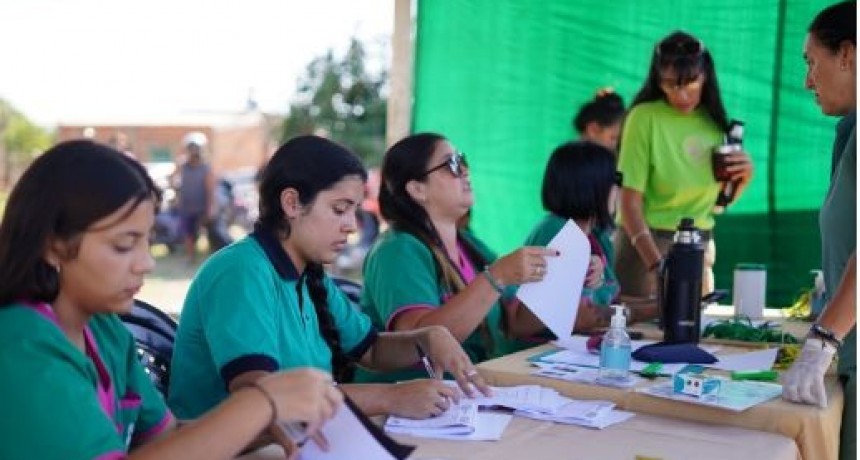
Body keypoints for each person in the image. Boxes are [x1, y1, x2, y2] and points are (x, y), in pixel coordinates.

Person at [0, 140, 343, 460]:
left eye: (147, 241)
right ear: (53, 244)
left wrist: (266, 418)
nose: (146, 263)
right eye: (123, 245)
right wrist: (262, 403)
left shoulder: (104, 331)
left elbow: (165, 440)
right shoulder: (22, 347)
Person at [168, 135, 491, 424]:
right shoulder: (241, 271)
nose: (351, 225)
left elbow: (373, 350)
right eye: (339, 209)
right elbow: (259, 396)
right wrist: (389, 397)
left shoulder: (309, 275)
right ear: (292, 203)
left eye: (353, 210)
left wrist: (428, 338)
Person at [357, 132, 560, 383]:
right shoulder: (397, 250)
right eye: (452, 164)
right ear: (417, 189)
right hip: (407, 407)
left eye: (462, 160)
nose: (464, 170)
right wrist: (496, 277)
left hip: (465, 396)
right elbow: (418, 340)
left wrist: (568, 276)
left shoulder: (470, 245)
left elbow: (519, 322)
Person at [615, 31, 754, 299]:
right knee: (642, 336)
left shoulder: (715, 123)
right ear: (657, 80)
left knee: (692, 335)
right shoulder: (644, 117)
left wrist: (744, 177)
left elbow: (716, 206)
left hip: (700, 245)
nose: (680, 94)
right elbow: (629, 203)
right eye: (670, 84)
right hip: (646, 245)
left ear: (705, 76)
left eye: (690, 84)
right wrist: (656, 264)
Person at [782, 3, 856, 459]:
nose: (808, 80)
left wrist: (824, 339)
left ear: (847, 54)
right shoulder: (850, 131)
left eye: (812, 61)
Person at [523, 141, 658, 331]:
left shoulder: (597, 236)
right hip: (539, 352)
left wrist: (661, 305)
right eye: (616, 178)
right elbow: (581, 318)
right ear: (591, 185)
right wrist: (655, 310)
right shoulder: (556, 232)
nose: (619, 188)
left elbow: (612, 300)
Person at [175, 131, 216, 264]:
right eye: (191, 148)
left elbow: (210, 190)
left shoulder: (205, 168)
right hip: (186, 206)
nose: (194, 151)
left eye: (196, 148)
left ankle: (212, 259)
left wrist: (209, 208)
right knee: (188, 233)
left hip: (201, 206)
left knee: (207, 233)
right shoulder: (182, 166)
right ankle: (190, 257)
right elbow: (175, 181)